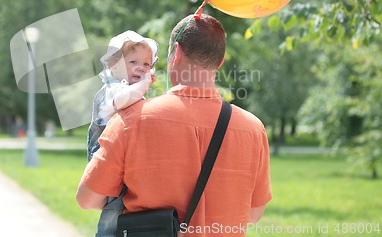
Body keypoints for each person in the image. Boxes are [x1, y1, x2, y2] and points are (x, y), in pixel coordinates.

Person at [77, 14, 272, 237]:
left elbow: (87, 199)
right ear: (220, 61)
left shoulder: (130, 120)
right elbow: (253, 214)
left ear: (176, 53)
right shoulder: (253, 129)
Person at [86, 30, 159, 237]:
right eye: (133, 62)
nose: (141, 68)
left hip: (127, 154)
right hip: (106, 153)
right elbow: (123, 100)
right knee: (114, 209)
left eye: (146, 64)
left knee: (129, 202)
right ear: (113, 65)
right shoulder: (114, 90)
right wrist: (145, 85)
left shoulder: (134, 92)